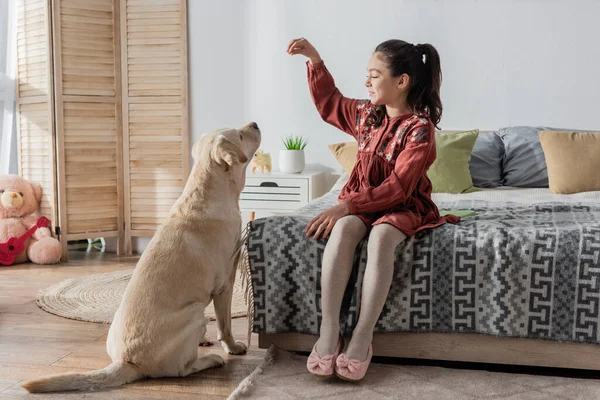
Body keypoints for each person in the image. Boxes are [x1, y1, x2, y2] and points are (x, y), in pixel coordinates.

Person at [287, 37, 460, 381]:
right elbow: (329, 103)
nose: (366, 82)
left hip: (401, 204)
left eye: (374, 75)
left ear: (401, 81)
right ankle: (330, 329)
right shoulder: (366, 114)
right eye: (367, 75)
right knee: (344, 229)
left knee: (381, 237)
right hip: (361, 201)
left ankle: (363, 335)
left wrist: (347, 205)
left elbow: (398, 187)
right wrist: (314, 58)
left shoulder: (419, 129)